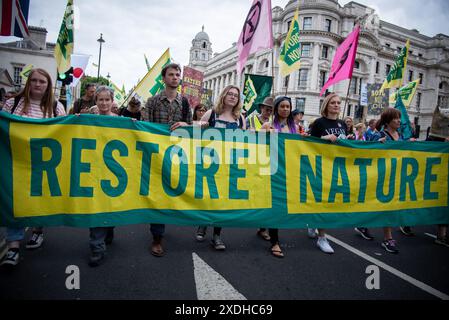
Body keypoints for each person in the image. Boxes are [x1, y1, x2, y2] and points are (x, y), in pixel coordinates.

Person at [0, 68, 66, 267]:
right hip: (15, 162)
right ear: (28, 83)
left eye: (42, 82)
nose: (38, 84)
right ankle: (13, 246)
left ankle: (38, 231)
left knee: (39, 200)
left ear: (48, 86)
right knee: (14, 202)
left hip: (43, 164)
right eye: (34, 80)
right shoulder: (13, 103)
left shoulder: (56, 107)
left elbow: (65, 132)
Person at [142, 63, 192, 257]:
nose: (175, 77)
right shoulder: (153, 102)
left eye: (178, 75)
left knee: (174, 192)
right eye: (171, 74)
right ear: (164, 78)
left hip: (177, 155)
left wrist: (186, 124)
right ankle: (157, 237)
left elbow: (190, 127)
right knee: (158, 196)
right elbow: (145, 127)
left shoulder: (185, 103)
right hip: (156, 155)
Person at [195, 85, 246, 250]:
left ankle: (217, 234)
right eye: (230, 94)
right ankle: (203, 222)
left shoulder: (240, 119)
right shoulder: (211, 114)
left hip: (229, 165)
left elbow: (246, 140)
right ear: (223, 95)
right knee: (208, 196)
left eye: (235, 95)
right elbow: (195, 130)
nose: (232, 97)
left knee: (223, 201)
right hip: (210, 162)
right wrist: (198, 125)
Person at [308, 93, 350, 254]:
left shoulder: (342, 124)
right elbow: (309, 143)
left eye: (338, 103)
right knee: (322, 200)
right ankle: (322, 238)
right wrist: (325, 137)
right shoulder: (319, 123)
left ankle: (313, 222)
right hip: (321, 166)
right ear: (326, 105)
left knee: (328, 200)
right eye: (333, 102)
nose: (336, 105)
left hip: (337, 167)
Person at [260, 96, 298, 258]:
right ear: (276, 109)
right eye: (282, 106)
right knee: (274, 205)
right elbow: (257, 143)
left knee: (276, 204)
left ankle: (263, 226)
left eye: (288, 107)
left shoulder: (295, 128)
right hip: (271, 170)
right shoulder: (268, 125)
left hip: (287, 172)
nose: (285, 109)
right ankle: (274, 242)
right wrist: (265, 133)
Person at [86, 86, 118, 267]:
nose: (104, 103)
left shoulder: (121, 121)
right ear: (95, 101)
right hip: (93, 170)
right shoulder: (89, 120)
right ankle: (97, 246)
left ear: (112, 101)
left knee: (110, 206)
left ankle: (109, 228)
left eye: (107, 100)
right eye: (100, 100)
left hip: (114, 173)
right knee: (96, 207)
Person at [246, 96, 274, 242]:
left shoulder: (274, 123)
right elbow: (243, 134)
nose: (268, 111)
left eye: (271, 109)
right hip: (252, 159)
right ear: (261, 108)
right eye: (266, 108)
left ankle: (262, 228)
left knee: (266, 195)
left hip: (269, 161)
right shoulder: (250, 119)